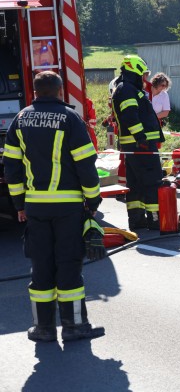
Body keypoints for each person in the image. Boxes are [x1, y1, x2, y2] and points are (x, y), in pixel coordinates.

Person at [3, 70, 105, 342]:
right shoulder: (70, 118)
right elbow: (86, 164)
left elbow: (11, 167)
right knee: (69, 264)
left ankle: (43, 328)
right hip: (68, 207)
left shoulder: (20, 119)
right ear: (60, 91)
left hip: (36, 208)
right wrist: (92, 199)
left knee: (41, 266)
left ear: (34, 91)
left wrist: (19, 204)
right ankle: (74, 326)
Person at [112, 55, 164, 230]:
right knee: (152, 181)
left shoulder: (127, 88)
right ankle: (155, 219)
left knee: (135, 184)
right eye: (143, 75)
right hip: (140, 145)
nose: (145, 79)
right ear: (134, 71)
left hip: (134, 146)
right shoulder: (127, 90)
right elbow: (130, 115)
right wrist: (140, 137)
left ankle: (137, 220)